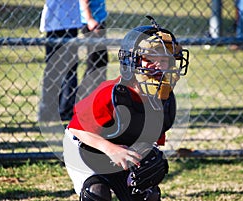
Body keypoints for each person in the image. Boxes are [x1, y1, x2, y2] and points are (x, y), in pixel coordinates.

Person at [63, 16, 190, 200]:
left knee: (147, 193)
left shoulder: (164, 100)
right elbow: (78, 130)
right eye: (150, 58)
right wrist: (111, 149)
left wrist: (139, 169)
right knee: (96, 193)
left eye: (165, 59)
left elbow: (148, 142)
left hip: (122, 152)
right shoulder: (111, 93)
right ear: (131, 61)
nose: (159, 65)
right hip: (86, 149)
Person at [38, 0, 82, 122]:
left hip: (67, 23)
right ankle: (54, 111)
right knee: (58, 70)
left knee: (66, 70)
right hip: (56, 23)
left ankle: (62, 110)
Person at [79, 0, 108, 94]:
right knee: (95, 62)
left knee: (101, 60)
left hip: (99, 21)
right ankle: (87, 94)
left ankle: (97, 92)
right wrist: (89, 19)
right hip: (92, 24)